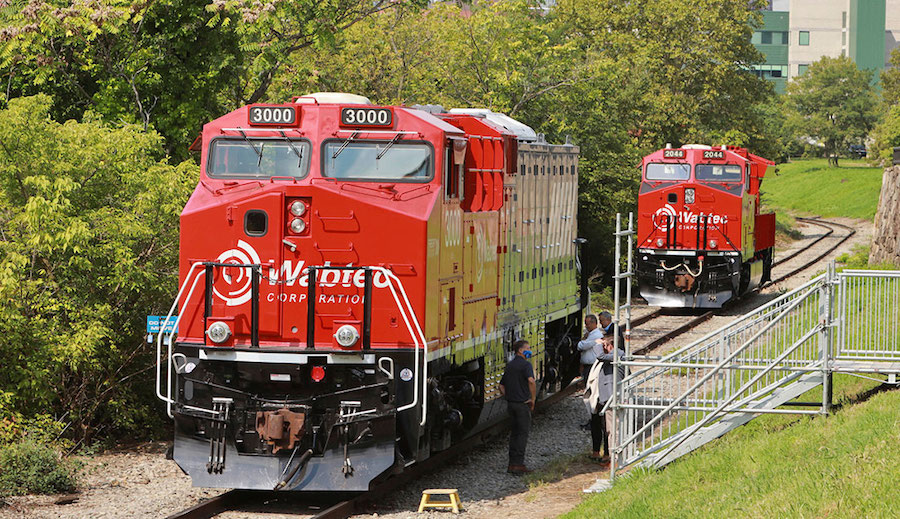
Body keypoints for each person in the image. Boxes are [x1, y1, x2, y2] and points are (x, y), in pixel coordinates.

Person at [583, 334, 625, 463]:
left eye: (605, 346)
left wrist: (597, 345)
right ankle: (610, 457)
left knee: (612, 429)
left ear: (610, 345)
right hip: (607, 396)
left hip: (612, 396)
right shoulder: (614, 355)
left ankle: (614, 460)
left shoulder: (617, 353)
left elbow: (600, 356)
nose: (604, 348)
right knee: (608, 428)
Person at [499, 339, 536, 475]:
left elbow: (501, 385)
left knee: (514, 434)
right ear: (521, 350)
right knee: (522, 434)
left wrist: (508, 396)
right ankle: (518, 464)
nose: (530, 350)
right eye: (528, 348)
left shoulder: (510, 365)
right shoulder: (526, 365)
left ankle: (511, 464)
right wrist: (532, 399)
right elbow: (531, 381)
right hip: (522, 404)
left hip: (511, 404)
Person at [577, 314, 603, 382]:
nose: (586, 326)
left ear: (594, 323)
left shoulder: (596, 335)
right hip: (588, 366)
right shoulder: (590, 334)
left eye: (587, 324)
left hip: (592, 365)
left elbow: (581, 346)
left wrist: (582, 341)